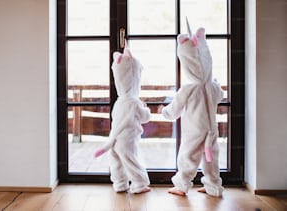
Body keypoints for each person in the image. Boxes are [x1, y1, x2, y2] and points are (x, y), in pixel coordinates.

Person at [158, 20, 224, 197]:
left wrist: (164, 111)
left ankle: (182, 185)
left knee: (188, 156)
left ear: (186, 63)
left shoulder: (189, 88)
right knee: (211, 158)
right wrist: (214, 82)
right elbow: (220, 96)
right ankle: (214, 187)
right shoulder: (212, 86)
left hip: (194, 130)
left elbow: (174, 109)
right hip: (211, 129)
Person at [94, 41, 151, 194]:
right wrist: (146, 109)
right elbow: (144, 117)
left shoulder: (119, 102)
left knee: (117, 162)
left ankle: (120, 184)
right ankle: (139, 183)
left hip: (114, 138)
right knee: (131, 161)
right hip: (127, 139)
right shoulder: (134, 102)